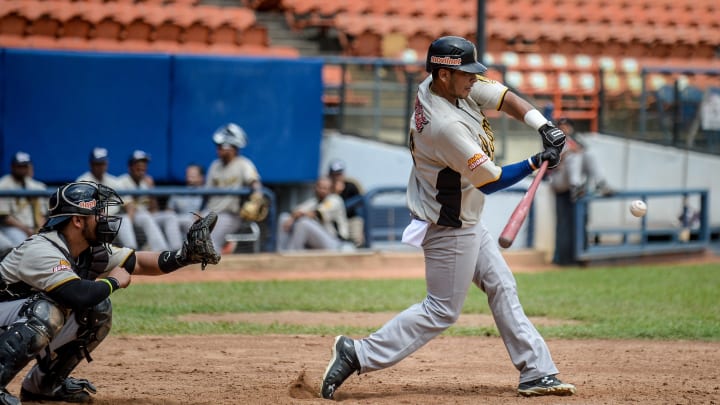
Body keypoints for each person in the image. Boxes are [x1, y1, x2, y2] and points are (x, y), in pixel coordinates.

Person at [320, 36, 575, 399]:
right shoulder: (444, 126)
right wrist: (535, 161)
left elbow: (503, 97)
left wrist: (543, 125)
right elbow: (490, 180)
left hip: (466, 220)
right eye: (467, 74)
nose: (474, 79)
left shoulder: (448, 86)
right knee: (440, 310)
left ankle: (536, 371)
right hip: (449, 227)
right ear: (442, 75)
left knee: (502, 286)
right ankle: (357, 353)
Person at [0, 181, 219, 404]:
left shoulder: (85, 250)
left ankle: (44, 385)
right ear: (77, 220)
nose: (104, 219)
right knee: (46, 311)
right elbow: (76, 294)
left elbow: (139, 262)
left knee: (97, 309)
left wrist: (184, 256)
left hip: (8, 319)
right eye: (98, 213)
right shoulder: (42, 249)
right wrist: (113, 281)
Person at [546, 117, 614, 265]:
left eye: (567, 126)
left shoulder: (575, 141)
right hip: (559, 181)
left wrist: (576, 150)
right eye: (561, 126)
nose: (564, 128)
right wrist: (568, 153)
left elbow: (584, 156)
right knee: (573, 157)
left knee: (589, 154)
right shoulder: (552, 141)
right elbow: (550, 167)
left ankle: (600, 183)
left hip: (572, 180)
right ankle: (575, 186)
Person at [205, 123, 263, 252]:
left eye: (221, 147)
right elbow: (206, 193)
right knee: (182, 225)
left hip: (230, 215)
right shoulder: (215, 165)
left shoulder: (243, 164)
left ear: (232, 148)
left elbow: (255, 182)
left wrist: (257, 198)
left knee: (208, 240)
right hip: (209, 212)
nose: (218, 150)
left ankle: (215, 268)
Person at [116, 150, 183, 251]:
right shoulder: (122, 181)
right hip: (129, 218)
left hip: (146, 217)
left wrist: (151, 190)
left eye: (144, 163)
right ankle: (161, 252)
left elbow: (154, 209)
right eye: (138, 163)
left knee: (170, 216)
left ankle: (178, 251)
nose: (142, 166)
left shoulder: (145, 182)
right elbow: (130, 210)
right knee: (145, 217)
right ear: (130, 167)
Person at [76, 147, 137, 249]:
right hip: (92, 221)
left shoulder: (113, 181)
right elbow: (79, 207)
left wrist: (130, 221)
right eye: (97, 164)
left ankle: (132, 252)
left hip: (112, 218)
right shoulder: (83, 181)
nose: (100, 167)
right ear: (91, 164)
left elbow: (128, 202)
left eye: (102, 163)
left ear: (106, 164)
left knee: (125, 220)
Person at [277, 176, 349, 251]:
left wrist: (297, 216)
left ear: (330, 190)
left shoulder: (335, 200)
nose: (322, 190)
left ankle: (291, 254)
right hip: (319, 242)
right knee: (284, 217)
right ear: (315, 187)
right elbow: (296, 211)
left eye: (325, 188)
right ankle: (281, 252)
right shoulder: (314, 201)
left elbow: (315, 214)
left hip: (335, 243)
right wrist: (292, 218)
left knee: (304, 223)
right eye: (320, 187)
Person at [0, 152, 47, 248]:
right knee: (21, 244)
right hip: (13, 228)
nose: (22, 169)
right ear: (12, 167)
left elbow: (42, 214)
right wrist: (27, 230)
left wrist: (40, 231)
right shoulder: (3, 185)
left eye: (24, 166)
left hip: (34, 228)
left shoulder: (36, 186)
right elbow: (5, 218)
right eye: (19, 166)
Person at [327, 159, 365, 248]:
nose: (337, 176)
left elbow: (359, 203)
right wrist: (335, 192)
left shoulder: (351, 186)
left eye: (339, 173)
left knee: (357, 240)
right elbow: (327, 206)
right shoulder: (327, 187)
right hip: (334, 221)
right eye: (335, 174)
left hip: (351, 219)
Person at [167, 163, 206, 235]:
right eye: (188, 174)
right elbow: (169, 212)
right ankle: (176, 246)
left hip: (199, 227)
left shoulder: (207, 193)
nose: (189, 177)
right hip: (179, 225)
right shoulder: (178, 193)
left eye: (193, 175)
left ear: (201, 177)